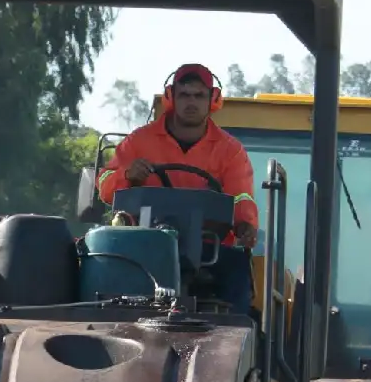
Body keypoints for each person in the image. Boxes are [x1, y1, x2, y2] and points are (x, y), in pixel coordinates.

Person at [97, 63, 259, 311]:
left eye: (199, 95)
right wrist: (127, 175)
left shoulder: (230, 151)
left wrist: (245, 223)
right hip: (144, 244)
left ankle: (236, 329)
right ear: (171, 97)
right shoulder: (139, 141)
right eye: (184, 95)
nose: (191, 102)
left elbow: (241, 196)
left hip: (208, 249)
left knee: (238, 267)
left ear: (212, 99)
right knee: (103, 262)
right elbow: (105, 187)